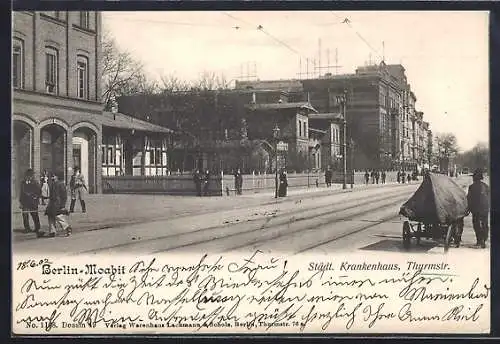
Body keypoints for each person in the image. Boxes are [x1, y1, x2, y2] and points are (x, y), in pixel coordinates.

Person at [466, 169, 490, 248]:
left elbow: (469, 199)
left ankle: (479, 240)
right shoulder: (486, 186)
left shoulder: (472, 187)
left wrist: (468, 209)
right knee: (485, 224)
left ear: (475, 178)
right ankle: (484, 239)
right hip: (485, 209)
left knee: (476, 224)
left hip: (476, 209)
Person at [44, 172, 71, 237]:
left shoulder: (61, 184)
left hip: (57, 203)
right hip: (52, 203)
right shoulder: (52, 184)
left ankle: (67, 227)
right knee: (50, 216)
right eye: (52, 176)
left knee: (58, 216)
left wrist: (62, 205)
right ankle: (52, 231)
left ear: (57, 177)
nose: (52, 178)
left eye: (53, 176)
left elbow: (64, 196)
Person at [19, 168, 42, 236]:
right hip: (25, 202)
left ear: (31, 176)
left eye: (29, 176)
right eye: (27, 176)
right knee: (25, 215)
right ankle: (27, 228)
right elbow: (21, 193)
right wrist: (20, 202)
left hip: (33, 202)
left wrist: (35, 197)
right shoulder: (23, 182)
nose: (28, 177)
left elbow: (39, 191)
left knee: (34, 215)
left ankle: (37, 227)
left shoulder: (35, 182)